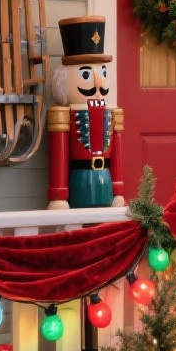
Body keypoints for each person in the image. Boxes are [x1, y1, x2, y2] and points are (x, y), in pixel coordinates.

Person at [47, 17, 124, 208]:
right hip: (80, 182)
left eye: (103, 72)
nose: (99, 82)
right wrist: (59, 195)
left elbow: (117, 153)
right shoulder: (64, 113)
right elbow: (59, 155)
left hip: (105, 180)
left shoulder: (112, 112)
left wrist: (118, 191)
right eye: (86, 74)